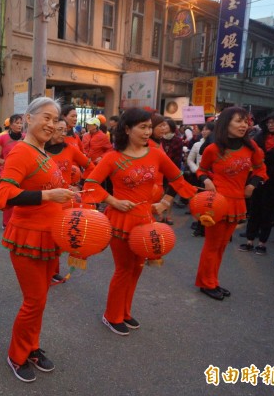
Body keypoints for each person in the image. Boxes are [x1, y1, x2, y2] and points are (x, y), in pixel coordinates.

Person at [83, 108, 197, 335]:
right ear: (127, 129)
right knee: (124, 269)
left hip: (146, 220)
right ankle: (112, 315)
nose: (148, 132)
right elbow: (91, 184)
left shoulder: (156, 154)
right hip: (120, 220)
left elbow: (177, 177)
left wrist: (164, 202)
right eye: (142, 127)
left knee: (137, 268)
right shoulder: (112, 157)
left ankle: (125, 311)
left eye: (149, 127)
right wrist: (113, 201)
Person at [0, 97, 75, 383]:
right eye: (47, 118)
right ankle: (17, 354)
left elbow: (51, 192)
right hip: (27, 238)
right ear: (28, 118)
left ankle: (32, 346)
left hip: (49, 237)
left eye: (56, 120)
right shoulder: (21, 153)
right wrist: (48, 195)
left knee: (40, 301)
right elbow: (1, 197)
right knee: (34, 300)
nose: (52, 125)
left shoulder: (42, 153)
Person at [195, 106, 267, 299]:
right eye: (238, 121)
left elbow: (261, 171)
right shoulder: (213, 149)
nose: (244, 125)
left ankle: (212, 281)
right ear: (226, 124)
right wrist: (206, 180)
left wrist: (252, 185)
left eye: (246, 121)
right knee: (212, 244)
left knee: (222, 245)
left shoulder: (252, 148)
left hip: (237, 202)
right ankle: (206, 283)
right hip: (216, 203)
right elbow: (201, 170)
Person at [44, 117, 94, 282]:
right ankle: (42, 270)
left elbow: (91, 167)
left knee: (59, 238)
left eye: (64, 130)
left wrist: (80, 186)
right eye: (59, 130)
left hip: (65, 202)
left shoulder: (71, 149)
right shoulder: (39, 151)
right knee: (45, 238)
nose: (62, 134)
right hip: (44, 200)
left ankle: (53, 271)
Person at [239, 111, 274, 255]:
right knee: (254, 210)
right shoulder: (260, 136)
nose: (271, 124)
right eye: (269, 122)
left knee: (268, 212)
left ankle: (262, 243)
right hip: (257, 178)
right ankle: (249, 240)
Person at [0, 114, 23, 228]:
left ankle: (18, 221)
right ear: (11, 125)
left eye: (21, 123)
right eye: (17, 123)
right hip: (7, 172)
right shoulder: (3, 138)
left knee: (21, 198)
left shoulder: (25, 137)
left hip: (23, 172)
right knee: (9, 198)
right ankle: (6, 223)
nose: (19, 125)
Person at [187, 121, 214, 237]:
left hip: (214, 178)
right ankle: (200, 227)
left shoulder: (218, 146)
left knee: (212, 204)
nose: (204, 131)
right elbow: (190, 160)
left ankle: (210, 228)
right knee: (201, 203)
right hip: (201, 178)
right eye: (203, 129)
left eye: (207, 129)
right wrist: (197, 171)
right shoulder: (197, 145)